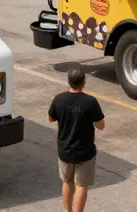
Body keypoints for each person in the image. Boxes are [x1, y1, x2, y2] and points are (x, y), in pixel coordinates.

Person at [48, 67, 105, 212]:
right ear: (84, 82)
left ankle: (68, 210)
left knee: (67, 181)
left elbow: (50, 118)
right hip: (85, 152)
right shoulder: (90, 102)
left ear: (69, 82)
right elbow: (101, 126)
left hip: (65, 150)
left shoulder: (59, 99)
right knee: (81, 185)